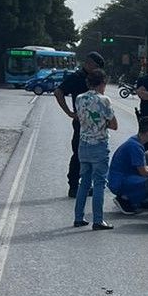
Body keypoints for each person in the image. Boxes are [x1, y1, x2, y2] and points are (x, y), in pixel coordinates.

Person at [72, 69, 118, 231]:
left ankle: (78, 217)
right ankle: (98, 220)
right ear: (102, 83)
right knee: (99, 183)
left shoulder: (79, 99)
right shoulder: (104, 100)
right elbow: (114, 125)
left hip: (83, 144)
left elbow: (80, 117)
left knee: (84, 182)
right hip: (99, 145)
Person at [55, 51, 105, 198]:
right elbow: (59, 92)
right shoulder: (76, 78)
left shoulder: (96, 78)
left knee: (92, 155)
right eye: (95, 66)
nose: (97, 70)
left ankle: (86, 184)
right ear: (88, 64)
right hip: (81, 123)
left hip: (95, 125)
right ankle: (73, 186)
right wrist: (69, 112)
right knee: (78, 154)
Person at [108, 116, 148, 215]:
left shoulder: (135, 141)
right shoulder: (135, 147)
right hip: (119, 181)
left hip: (121, 177)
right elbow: (143, 171)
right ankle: (124, 198)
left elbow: (144, 166)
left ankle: (137, 199)